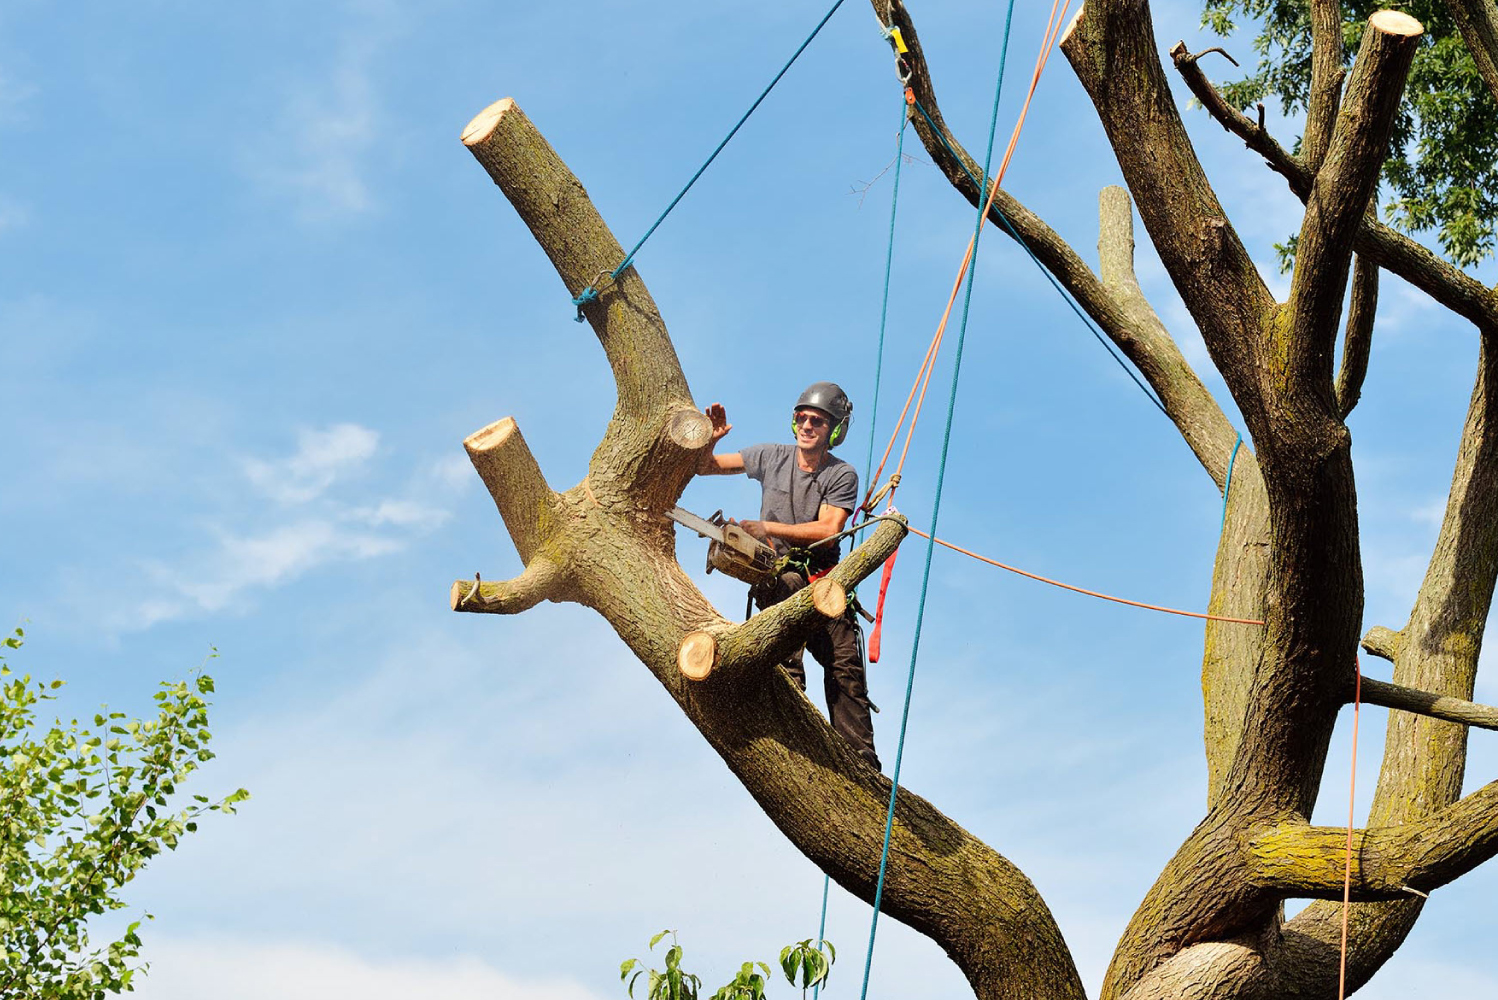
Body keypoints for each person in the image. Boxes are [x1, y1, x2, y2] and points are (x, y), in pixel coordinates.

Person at [697, 381, 880, 769]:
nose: (808, 425)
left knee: (845, 669)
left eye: (817, 420)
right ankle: (788, 732)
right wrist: (709, 441)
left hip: (826, 585)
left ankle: (862, 763)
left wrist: (769, 528)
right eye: (802, 418)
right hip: (779, 580)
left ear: (835, 430)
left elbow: (829, 528)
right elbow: (705, 467)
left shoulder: (840, 474)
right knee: (784, 650)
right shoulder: (768, 456)